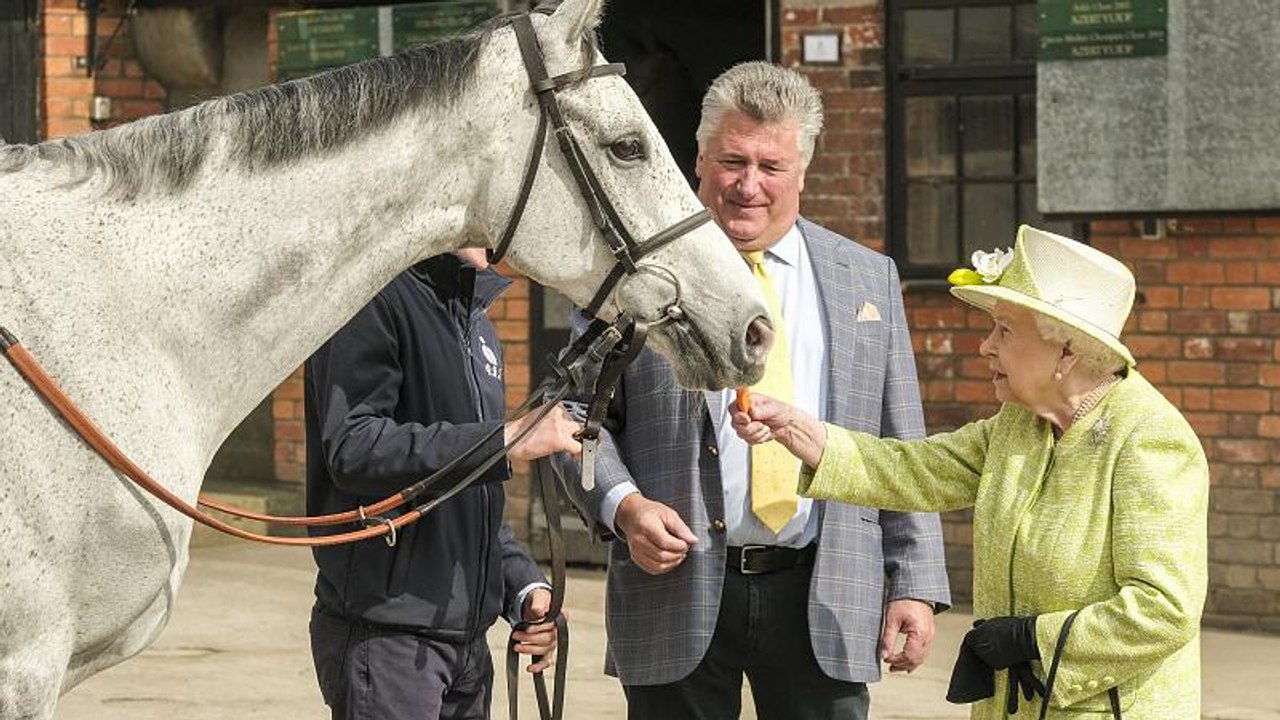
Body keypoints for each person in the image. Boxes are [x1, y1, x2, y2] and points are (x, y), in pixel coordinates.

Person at [561, 61, 950, 720]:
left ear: (803, 172)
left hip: (823, 592)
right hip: (673, 590)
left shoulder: (867, 279)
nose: (748, 185)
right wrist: (623, 507)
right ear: (699, 162)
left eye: (771, 167)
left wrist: (913, 581)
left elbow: (899, 443)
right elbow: (572, 421)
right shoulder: (635, 278)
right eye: (732, 161)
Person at [733, 225, 1209, 719]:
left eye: (1005, 330)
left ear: (1066, 350)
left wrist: (1034, 640)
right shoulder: (1021, 424)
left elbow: (1164, 609)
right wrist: (802, 433)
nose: (985, 346)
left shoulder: (1149, 441)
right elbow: (919, 468)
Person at [304, 248, 582, 720]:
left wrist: (525, 589)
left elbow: (471, 496)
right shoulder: (371, 296)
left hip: (467, 646)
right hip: (390, 639)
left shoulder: (478, 326)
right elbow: (353, 445)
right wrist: (506, 438)